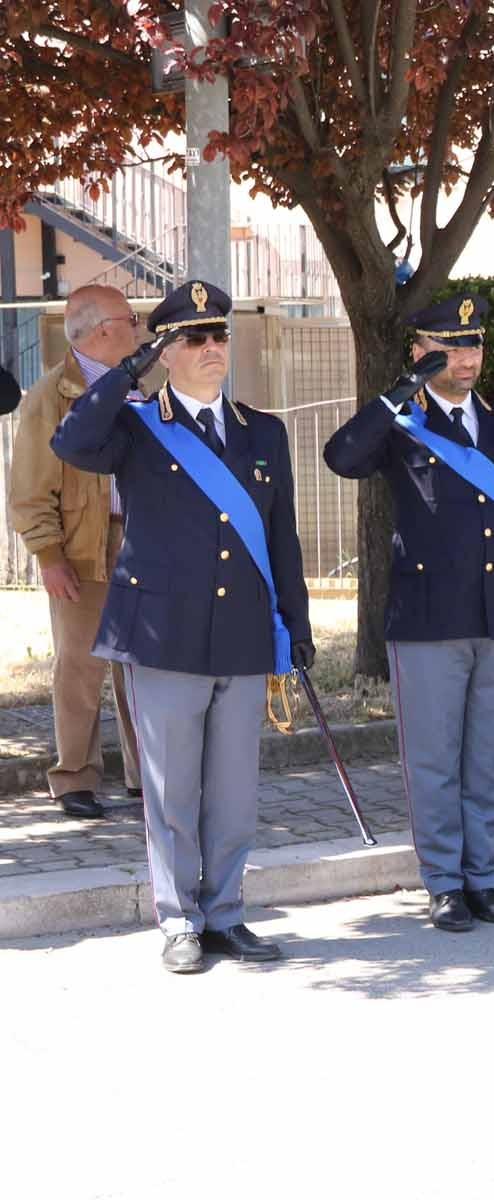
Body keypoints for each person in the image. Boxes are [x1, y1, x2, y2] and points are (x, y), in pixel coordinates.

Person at [50, 280, 312, 973]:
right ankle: (180, 921)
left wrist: (297, 621)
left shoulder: (264, 431)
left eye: (219, 334)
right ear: (166, 352)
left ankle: (225, 914)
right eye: (193, 338)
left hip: (243, 631)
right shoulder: (135, 425)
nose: (211, 348)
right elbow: (72, 441)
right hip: (163, 633)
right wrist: (130, 371)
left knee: (233, 791)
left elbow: (281, 537)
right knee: (172, 790)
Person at [322, 294, 494, 932]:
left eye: (474, 343)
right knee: (433, 758)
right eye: (451, 345)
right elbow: (341, 457)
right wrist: (399, 392)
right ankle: (444, 881)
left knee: (486, 756)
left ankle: (483, 877)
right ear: (420, 351)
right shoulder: (401, 419)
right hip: (428, 617)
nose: (468, 357)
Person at [6, 285, 143, 818]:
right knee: (80, 667)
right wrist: (49, 556)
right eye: (131, 318)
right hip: (81, 546)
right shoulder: (50, 395)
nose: (139, 327)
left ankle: (142, 774)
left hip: (142, 542)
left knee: (140, 664)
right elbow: (30, 488)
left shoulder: (140, 385)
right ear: (103, 328)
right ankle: (74, 779)